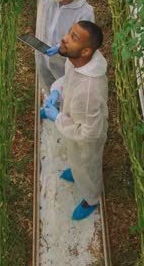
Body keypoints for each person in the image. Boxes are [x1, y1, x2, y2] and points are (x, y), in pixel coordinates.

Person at [40, 21, 108, 220]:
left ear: (86, 51)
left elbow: (89, 134)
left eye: (73, 38)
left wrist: (58, 117)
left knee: (88, 167)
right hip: (74, 125)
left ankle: (92, 198)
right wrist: (56, 91)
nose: (64, 38)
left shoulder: (89, 91)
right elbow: (68, 80)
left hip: (87, 141)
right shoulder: (79, 61)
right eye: (69, 32)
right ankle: (77, 170)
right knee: (76, 159)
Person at [9, 0, 95, 90]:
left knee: (65, 96)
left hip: (65, 69)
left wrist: (64, 50)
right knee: (48, 87)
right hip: (43, 58)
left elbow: (84, 50)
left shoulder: (84, 14)